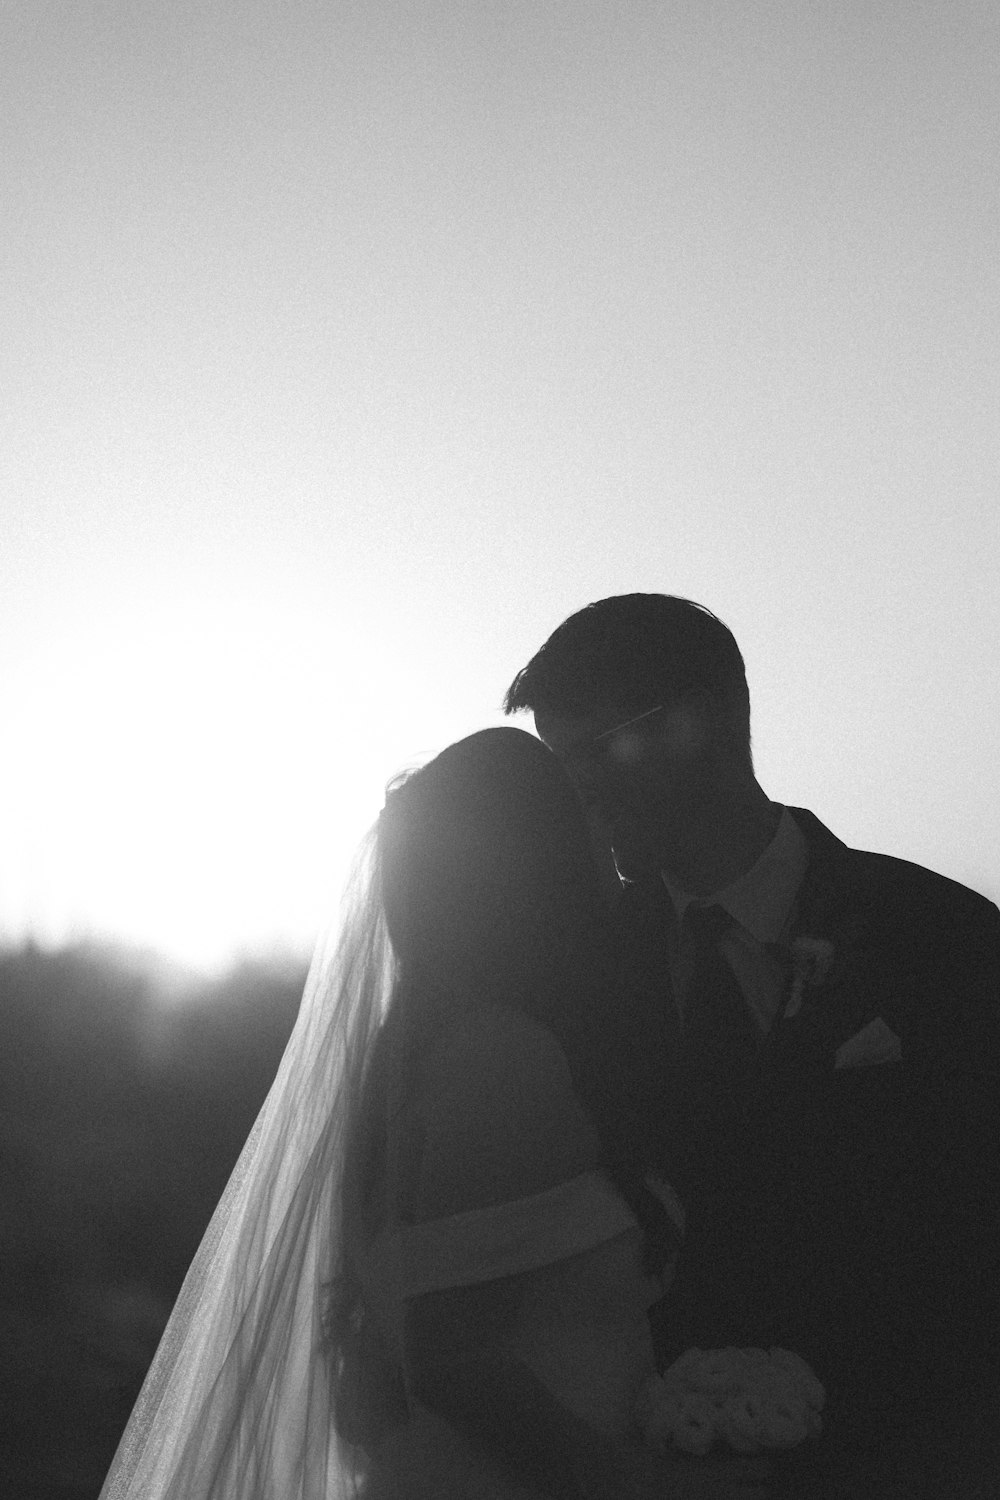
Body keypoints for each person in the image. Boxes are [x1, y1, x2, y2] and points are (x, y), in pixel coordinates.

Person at [98, 726, 768, 1500]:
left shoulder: (428, 1051)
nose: (609, 840)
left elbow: (377, 1381)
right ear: (532, 859)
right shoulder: (496, 1058)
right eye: (583, 811)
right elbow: (449, 1360)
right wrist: (637, 1483)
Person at [503, 593, 1000, 1498]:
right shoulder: (568, 980)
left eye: (594, 752)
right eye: (559, 765)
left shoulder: (944, 938)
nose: (579, 794)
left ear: (709, 720)